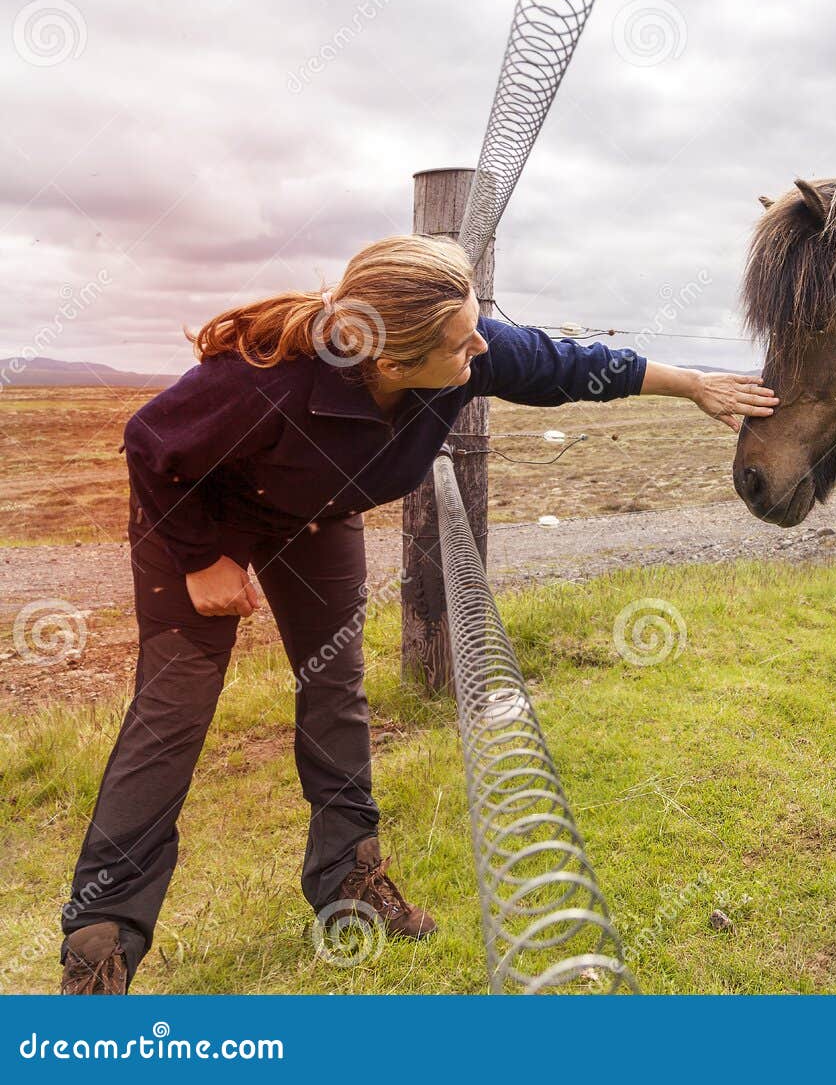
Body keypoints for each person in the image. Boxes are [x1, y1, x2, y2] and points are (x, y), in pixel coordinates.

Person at [58, 234, 778, 994]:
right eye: (463, 338)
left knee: (335, 680)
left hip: (316, 512)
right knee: (174, 711)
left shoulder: (462, 350)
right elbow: (148, 440)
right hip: (197, 515)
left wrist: (695, 384)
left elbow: (571, 367)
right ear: (392, 365)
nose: (481, 342)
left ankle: (349, 879)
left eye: (477, 323)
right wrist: (203, 558)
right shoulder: (266, 384)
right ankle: (100, 947)